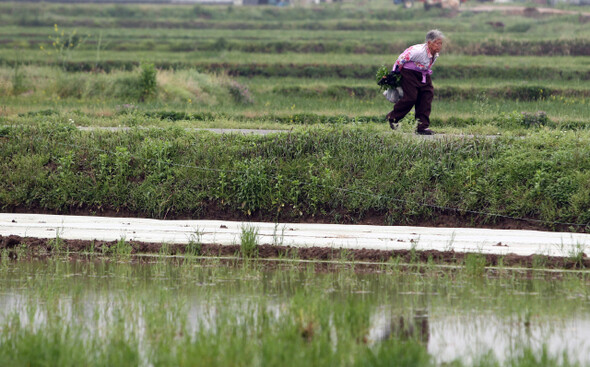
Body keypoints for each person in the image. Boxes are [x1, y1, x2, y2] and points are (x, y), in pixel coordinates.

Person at [386, 30, 444, 135]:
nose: (439, 46)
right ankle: (393, 118)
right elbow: (401, 59)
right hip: (409, 73)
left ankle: (422, 127)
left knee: (427, 96)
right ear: (429, 43)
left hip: (423, 74)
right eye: (437, 43)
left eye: (441, 43)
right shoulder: (417, 51)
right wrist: (394, 73)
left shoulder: (435, 54)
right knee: (411, 97)